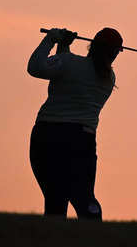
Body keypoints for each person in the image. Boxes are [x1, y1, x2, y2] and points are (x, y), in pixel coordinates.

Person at [27, 26, 123, 220]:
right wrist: (63, 47)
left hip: (47, 136)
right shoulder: (108, 79)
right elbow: (69, 71)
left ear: (91, 46)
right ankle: (93, 241)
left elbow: (36, 68)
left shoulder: (68, 62)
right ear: (114, 54)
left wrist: (51, 40)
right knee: (84, 198)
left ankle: (54, 246)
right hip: (80, 140)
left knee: (56, 198)